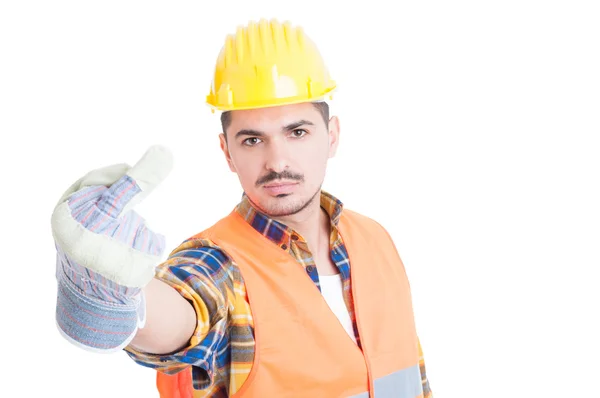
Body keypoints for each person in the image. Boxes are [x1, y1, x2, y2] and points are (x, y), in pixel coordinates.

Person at [51, 18, 434, 398]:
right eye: (252, 140)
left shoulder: (376, 239)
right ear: (227, 152)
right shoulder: (219, 265)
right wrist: (115, 296)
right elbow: (185, 310)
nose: (277, 161)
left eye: (297, 132)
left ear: (331, 136)